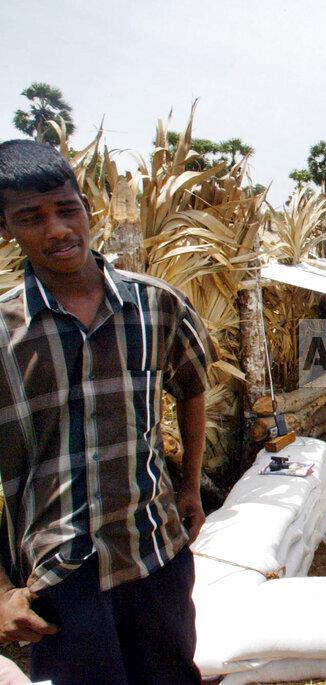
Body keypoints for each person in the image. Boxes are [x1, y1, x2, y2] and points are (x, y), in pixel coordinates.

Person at [0, 139, 214, 684]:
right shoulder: (5, 334)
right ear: (6, 230)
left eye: (66, 209)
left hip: (154, 549)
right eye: (31, 218)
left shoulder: (155, 304)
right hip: (60, 572)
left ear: (87, 209)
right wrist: (2, 592)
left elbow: (191, 388)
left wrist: (188, 486)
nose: (56, 230)